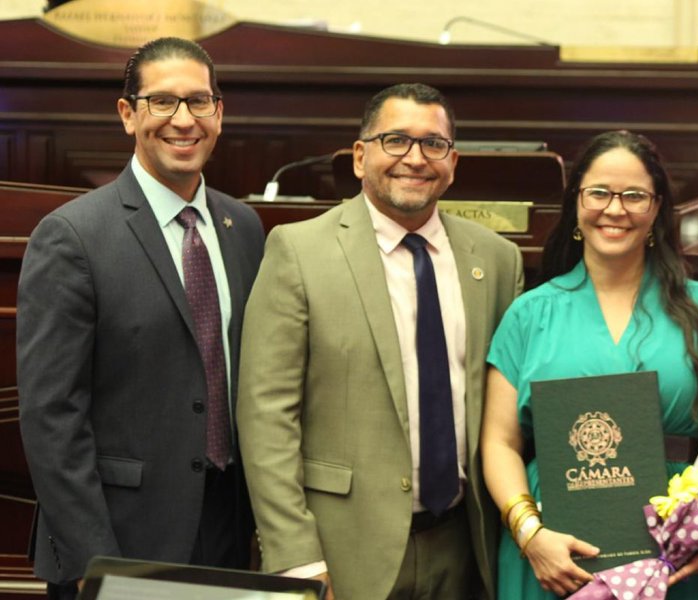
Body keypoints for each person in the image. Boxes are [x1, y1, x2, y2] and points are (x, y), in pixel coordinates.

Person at [237, 83, 523, 600]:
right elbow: (266, 416)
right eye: (395, 141)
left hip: (466, 549)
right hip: (343, 551)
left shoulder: (498, 260)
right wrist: (295, 556)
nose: (415, 158)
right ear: (360, 156)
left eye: (433, 144)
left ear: (452, 162)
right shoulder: (299, 251)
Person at [17, 37, 263, 598]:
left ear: (219, 114)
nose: (184, 120)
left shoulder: (243, 227)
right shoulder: (73, 236)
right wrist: (93, 560)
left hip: (228, 526)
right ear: (128, 114)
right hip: (119, 538)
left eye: (200, 102)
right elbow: (52, 415)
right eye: (163, 102)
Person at [480, 130, 698, 599]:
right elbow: (499, 442)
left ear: (656, 209)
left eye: (634, 195)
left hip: (676, 553)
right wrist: (529, 533)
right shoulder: (529, 315)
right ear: (575, 202)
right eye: (599, 193)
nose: (615, 209)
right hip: (555, 551)